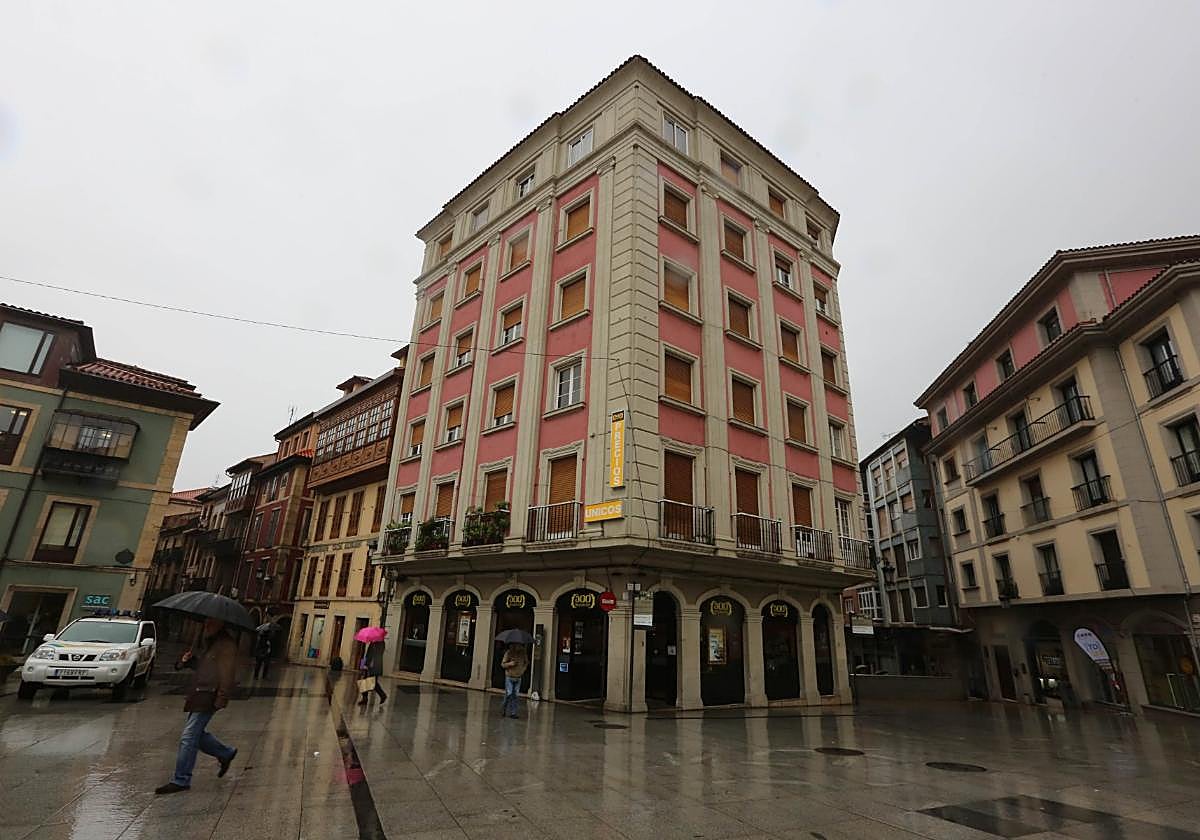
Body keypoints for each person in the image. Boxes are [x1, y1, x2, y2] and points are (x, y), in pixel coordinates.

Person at [155, 617, 238, 795]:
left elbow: (227, 673)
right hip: (199, 693)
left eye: (211, 622)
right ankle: (225, 753)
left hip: (210, 694)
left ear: (221, 623)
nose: (207, 624)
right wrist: (188, 661)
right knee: (196, 735)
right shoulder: (208, 641)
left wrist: (222, 697)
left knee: (188, 736)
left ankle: (181, 779)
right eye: (206, 621)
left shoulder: (226, 644)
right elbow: (205, 668)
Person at [500, 643, 528, 719]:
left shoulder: (523, 653)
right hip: (509, 676)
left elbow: (526, 662)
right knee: (509, 693)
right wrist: (510, 664)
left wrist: (523, 670)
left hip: (518, 677)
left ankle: (513, 713)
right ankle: (504, 708)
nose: (518, 646)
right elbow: (503, 664)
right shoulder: (509, 653)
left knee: (515, 695)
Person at [357, 641, 387, 706]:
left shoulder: (381, 643)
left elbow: (378, 654)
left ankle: (383, 695)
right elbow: (367, 654)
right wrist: (362, 665)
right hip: (368, 665)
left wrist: (370, 663)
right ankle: (364, 699)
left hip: (375, 666)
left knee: (373, 682)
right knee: (365, 681)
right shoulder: (372, 643)